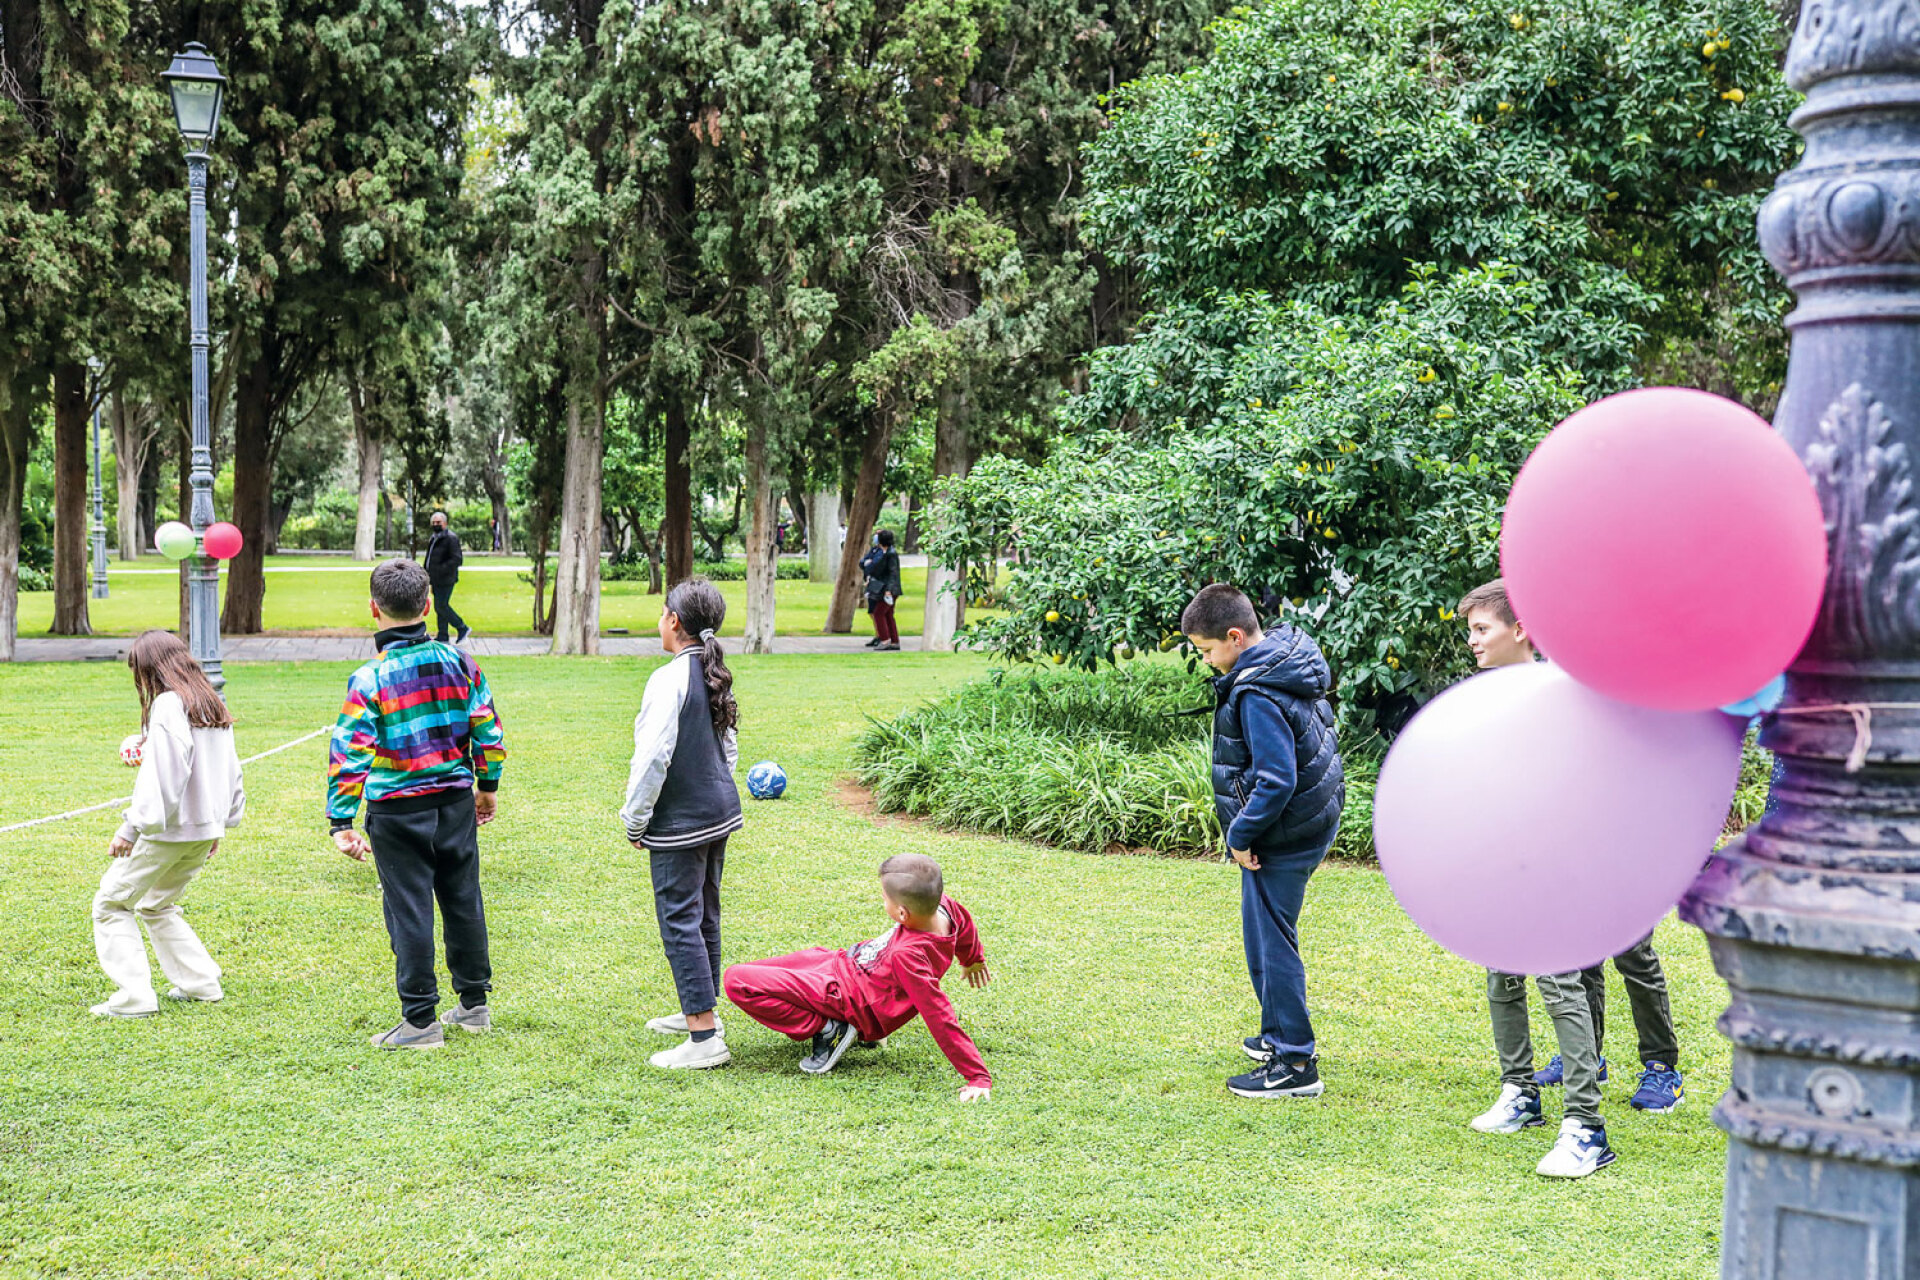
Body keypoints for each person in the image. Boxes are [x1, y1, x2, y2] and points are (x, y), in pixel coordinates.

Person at [1457, 578, 1616, 1177]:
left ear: (1519, 629)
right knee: (1502, 971)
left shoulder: (1560, 693)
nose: (1472, 641)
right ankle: (1520, 1092)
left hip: (1558, 860)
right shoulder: (1481, 697)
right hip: (1504, 860)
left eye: (1481, 629)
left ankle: (1587, 1127)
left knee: (1558, 980)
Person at [328, 558, 507, 1050]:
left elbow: (350, 751)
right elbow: (487, 728)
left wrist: (340, 820)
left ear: (373, 609)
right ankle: (474, 1005)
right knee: (462, 897)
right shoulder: (461, 662)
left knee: (408, 909)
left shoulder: (369, 678)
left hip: (397, 810)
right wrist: (486, 786)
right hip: (453, 801)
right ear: (428, 605)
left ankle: (420, 1020)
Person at [1181, 584, 1344, 1101]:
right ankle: (1276, 1032)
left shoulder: (1255, 691)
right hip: (1308, 821)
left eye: (1207, 651)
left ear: (1233, 637)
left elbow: (1276, 779)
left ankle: (1294, 1061)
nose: (1208, 662)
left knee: (1272, 945)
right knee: (1266, 936)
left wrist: (1241, 833)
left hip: (1282, 832)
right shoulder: (1285, 658)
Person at [722, 853, 992, 1101]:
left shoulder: (908, 954)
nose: (882, 901)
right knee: (759, 971)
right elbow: (965, 925)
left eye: (885, 898)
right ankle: (832, 1024)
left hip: (847, 998)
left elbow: (938, 1013)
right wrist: (972, 960)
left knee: (737, 980)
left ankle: (830, 1028)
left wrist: (977, 1076)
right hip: (841, 964)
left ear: (902, 913)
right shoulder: (944, 907)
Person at [90, 630, 246, 1017]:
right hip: (203, 829)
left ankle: (134, 998)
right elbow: (231, 771)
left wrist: (131, 827)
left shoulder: (168, 705)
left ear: (150, 669)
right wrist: (220, 824)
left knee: (110, 903)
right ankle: (200, 983)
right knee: (157, 903)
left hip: (170, 830)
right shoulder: (209, 704)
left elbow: (166, 774)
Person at [622, 576, 744, 1070]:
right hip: (719, 812)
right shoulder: (714, 670)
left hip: (682, 822)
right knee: (704, 915)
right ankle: (702, 1009)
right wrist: (713, 789)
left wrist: (635, 818)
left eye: (662, 612)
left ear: (674, 621)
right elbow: (729, 747)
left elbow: (652, 758)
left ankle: (703, 1035)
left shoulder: (667, 678)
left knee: (679, 919)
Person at [424, 510, 471, 646]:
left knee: (441, 606)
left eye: (438, 522)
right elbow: (430, 557)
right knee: (439, 606)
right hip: (436, 579)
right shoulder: (434, 538)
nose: (435, 525)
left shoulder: (451, 538)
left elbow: (457, 559)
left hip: (446, 579)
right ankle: (443, 635)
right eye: (433, 522)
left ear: (445, 523)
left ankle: (462, 627)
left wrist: (440, 570)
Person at [860, 529, 902, 652]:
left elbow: (893, 573)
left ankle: (885, 640)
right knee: (888, 614)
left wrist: (889, 590)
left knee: (878, 613)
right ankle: (894, 641)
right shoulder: (885, 553)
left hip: (889, 589)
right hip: (886, 588)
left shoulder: (890, 554)